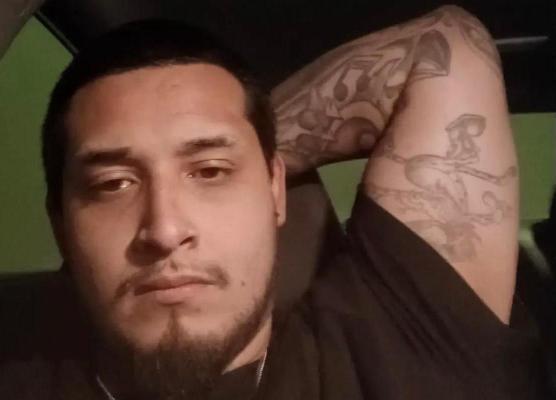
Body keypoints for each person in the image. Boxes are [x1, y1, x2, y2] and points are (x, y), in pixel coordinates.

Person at [0, 5, 547, 399]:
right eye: (113, 184)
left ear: (275, 191)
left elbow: (446, 49)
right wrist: (231, 150)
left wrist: (248, 140)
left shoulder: (404, 344)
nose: (164, 229)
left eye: (210, 172)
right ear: (61, 222)